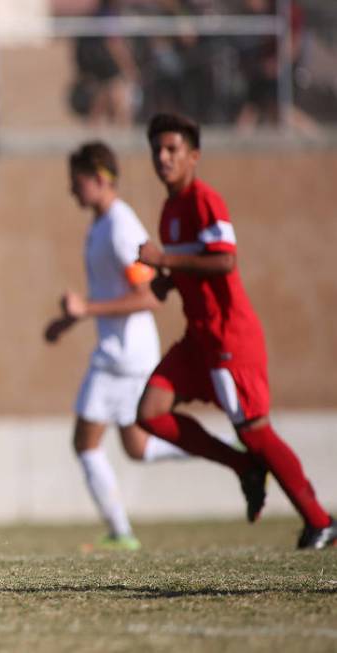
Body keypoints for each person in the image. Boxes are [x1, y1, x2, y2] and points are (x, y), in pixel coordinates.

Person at [136, 113, 335, 550]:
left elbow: (225, 260)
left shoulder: (205, 200)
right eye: (157, 150)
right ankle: (244, 468)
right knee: (150, 412)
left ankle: (320, 521)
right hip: (198, 338)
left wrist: (166, 260)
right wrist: (166, 281)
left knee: (254, 431)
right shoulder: (169, 210)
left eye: (172, 149)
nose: (163, 158)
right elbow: (193, 264)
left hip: (229, 337)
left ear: (194, 156)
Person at [45, 141, 189, 551]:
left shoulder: (122, 226)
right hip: (120, 352)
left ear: (97, 179)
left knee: (85, 443)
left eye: (76, 183)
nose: (72, 191)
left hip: (124, 355)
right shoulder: (100, 224)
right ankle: (228, 453)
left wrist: (86, 308)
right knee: (137, 447)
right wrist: (66, 321)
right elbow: (111, 294)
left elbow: (148, 296)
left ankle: (121, 531)